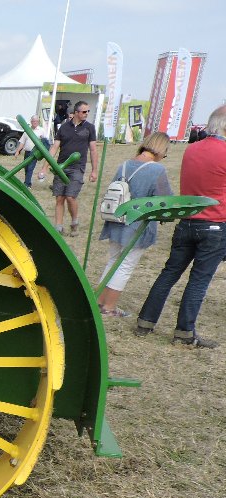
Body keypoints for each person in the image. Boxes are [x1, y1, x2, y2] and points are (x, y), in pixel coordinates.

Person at [135, 105, 226, 348]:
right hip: (214, 225)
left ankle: (145, 321)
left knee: (169, 273)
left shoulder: (192, 149)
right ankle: (184, 332)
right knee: (199, 280)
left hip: (187, 222)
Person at [95, 132, 172, 317]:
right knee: (125, 266)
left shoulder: (124, 165)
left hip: (116, 221)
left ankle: (99, 302)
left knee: (113, 261)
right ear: (161, 149)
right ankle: (109, 307)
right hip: (136, 226)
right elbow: (166, 200)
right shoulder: (157, 170)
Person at [39, 101, 98, 236]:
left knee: (70, 197)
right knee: (59, 198)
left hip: (77, 168)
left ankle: (74, 222)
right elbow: (54, 148)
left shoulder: (89, 128)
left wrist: (94, 171)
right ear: (76, 112)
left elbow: (93, 150)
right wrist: (45, 168)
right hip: (61, 167)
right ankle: (58, 227)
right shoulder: (64, 128)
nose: (86, 114)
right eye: (84, 111)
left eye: (88, 111)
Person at [15, 115, 50, 187]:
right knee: (26, 167)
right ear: (31, 122)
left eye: (36, 121)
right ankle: (27, 182)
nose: (35, 122)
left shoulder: (42, 130)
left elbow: (46, 142)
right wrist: (17, 151)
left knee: (30, 168)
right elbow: (22, 142)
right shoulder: (27, 130)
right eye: (33, 121)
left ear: (38, 122)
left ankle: (27, 184)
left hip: (34, 153)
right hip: (27, 152)